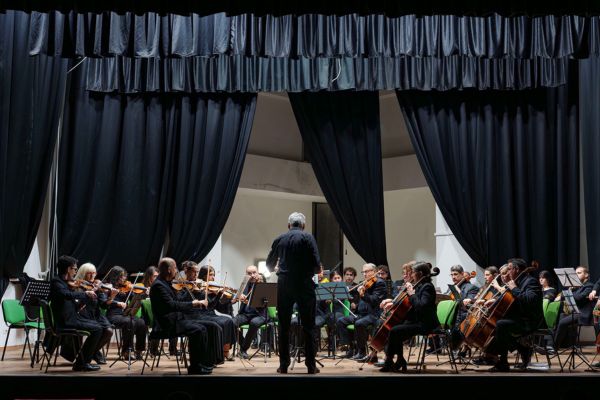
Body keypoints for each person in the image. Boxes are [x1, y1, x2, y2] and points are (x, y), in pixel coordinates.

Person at [266, 212, 321, 374]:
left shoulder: (279, 239)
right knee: (309, 326)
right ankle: (311, 366)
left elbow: (269, 265)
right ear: (303, 226)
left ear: (289, 225)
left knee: (283, 325)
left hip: (284, 284)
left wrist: (280, 267)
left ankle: (283, 366)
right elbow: (317, 266)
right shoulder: (308, 238)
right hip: (304, 284)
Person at [150, 257, 213, 375]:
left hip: (175, 319)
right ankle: (194, 367)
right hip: (166, 324)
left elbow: (177, 300)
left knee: (203, 327)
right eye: (175, 268)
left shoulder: (166, 283)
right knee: (197, 330)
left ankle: (201, 363)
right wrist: (193, 304)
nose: (177, 271)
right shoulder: (159, 286)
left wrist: (194, 300)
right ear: (169, 269)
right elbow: (171, 305)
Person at [380, 261, 439, 373]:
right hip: (416, 320)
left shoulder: (427, 287)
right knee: (394, 331)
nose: (411, 275)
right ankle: (399, 360)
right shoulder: (420, 285)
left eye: (413, 273)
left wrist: (412, 293)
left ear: (420, 273)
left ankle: (392, 361)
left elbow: (421, 307)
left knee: (394, 331)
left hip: (426, 324)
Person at [486, 258, 543, 372]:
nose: (508, 272)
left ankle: (503, 362)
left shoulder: (530, 281)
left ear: (516, 269)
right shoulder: (516, 281)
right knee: (499, 324)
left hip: (529, 320)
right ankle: (522, 348)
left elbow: (530, 300)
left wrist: (515, 289)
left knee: (501, 325)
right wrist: (493, 302)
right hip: (519, 318)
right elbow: (508, 300)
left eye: (510, 269)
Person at [49, 256, 104, 371]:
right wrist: (85, 294)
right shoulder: (56, 282)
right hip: (66, 321)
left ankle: (82, 361)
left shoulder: (65, 283)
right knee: (97, 329)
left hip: (73, 317)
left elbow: (73, 303)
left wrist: (88, 297)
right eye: (74, 269)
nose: (75, 271)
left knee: (99, 326)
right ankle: (81, 363)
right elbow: (67, 295)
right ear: (68, 269)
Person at [336, 263, 386, 362]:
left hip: (373, 314)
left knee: (359, 324)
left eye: (366, 272)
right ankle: (351, 348)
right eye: (363, 272)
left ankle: (362, 351)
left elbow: (374, 300)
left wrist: (362, 294)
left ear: (374, 272)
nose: (364, 274)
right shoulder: (365, 282)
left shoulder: (379, 283)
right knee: (341, 321)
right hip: (361, 314)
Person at [73, 263, 117, 364]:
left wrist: (112, 297)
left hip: (96, 315)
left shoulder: (97, 286)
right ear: (83, 274)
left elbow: (104, 305)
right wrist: (90, 292)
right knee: (98, 330)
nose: (93, 276)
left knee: (109, 331)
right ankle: (88, 355)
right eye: (89, 273)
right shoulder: (78, 285)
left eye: (94, 273)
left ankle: (92, 352)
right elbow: (77, 304)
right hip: (83, 315)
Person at [104, 266, 148, 360]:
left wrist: (144, 294)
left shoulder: (126, 288)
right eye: (121, 276)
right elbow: (104, 302)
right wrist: (117, 303)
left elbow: (135, 298)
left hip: (125, 314)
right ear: (115, 277)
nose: (124, 279)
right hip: (113, 315)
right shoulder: (108, 287)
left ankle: (139, 351)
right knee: (129, 322)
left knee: (141, 322)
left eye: (124, 276)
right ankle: (126, 351)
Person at [554, 266, 594, 348]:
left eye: (579, 273)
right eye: (575, 273)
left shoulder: (589, 286)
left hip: (583, 314)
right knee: (561, 315)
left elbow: (578, 298)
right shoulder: (578, 287)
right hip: (575, 312)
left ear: (586, 275)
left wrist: (568, 292)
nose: (576, 275)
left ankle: (554, 347)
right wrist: (570, 290)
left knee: (562, 322)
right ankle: (564, 344)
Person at [232, 265, 266, 359]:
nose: (252, 275)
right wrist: (237, 297)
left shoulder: (263, 284)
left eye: (254, 272)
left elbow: (264, 304)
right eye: (249, 273)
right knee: (231, 323)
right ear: (246, 275)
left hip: (259, 314)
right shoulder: (244, 284)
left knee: (254, 323)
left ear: (258, 273)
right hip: (245, 314)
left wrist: (249, 301)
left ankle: (243, 349)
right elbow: (235, 299)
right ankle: (244, 344)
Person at [448, 265, 479, 352]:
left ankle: (458, 347)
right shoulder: (452, 287)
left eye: (456, 274)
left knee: (456, 319)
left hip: (464, 315)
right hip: (452, 314)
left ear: (462, 274)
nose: (453, 277)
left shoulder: (471, 287)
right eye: (452, 275)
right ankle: (454, 347)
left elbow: (468, 306)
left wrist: (459, 293)